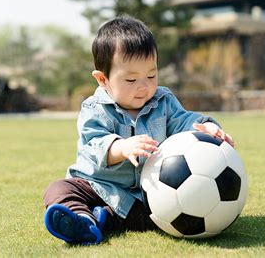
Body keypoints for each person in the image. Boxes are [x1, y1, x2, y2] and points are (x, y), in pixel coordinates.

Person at [43, 15, 234, 245]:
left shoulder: (163, 101)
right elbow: (94, 145)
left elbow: (183, 121)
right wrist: (121, 147)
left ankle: (103, 219)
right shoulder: (94, 109)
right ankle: (82, 219)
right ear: (103, 79)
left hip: (144, 193)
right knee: (58, 189)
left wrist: (208, 127)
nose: (144, 87)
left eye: (151, 75)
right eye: (131, 79)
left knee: (151, 216)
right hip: (98, 185)